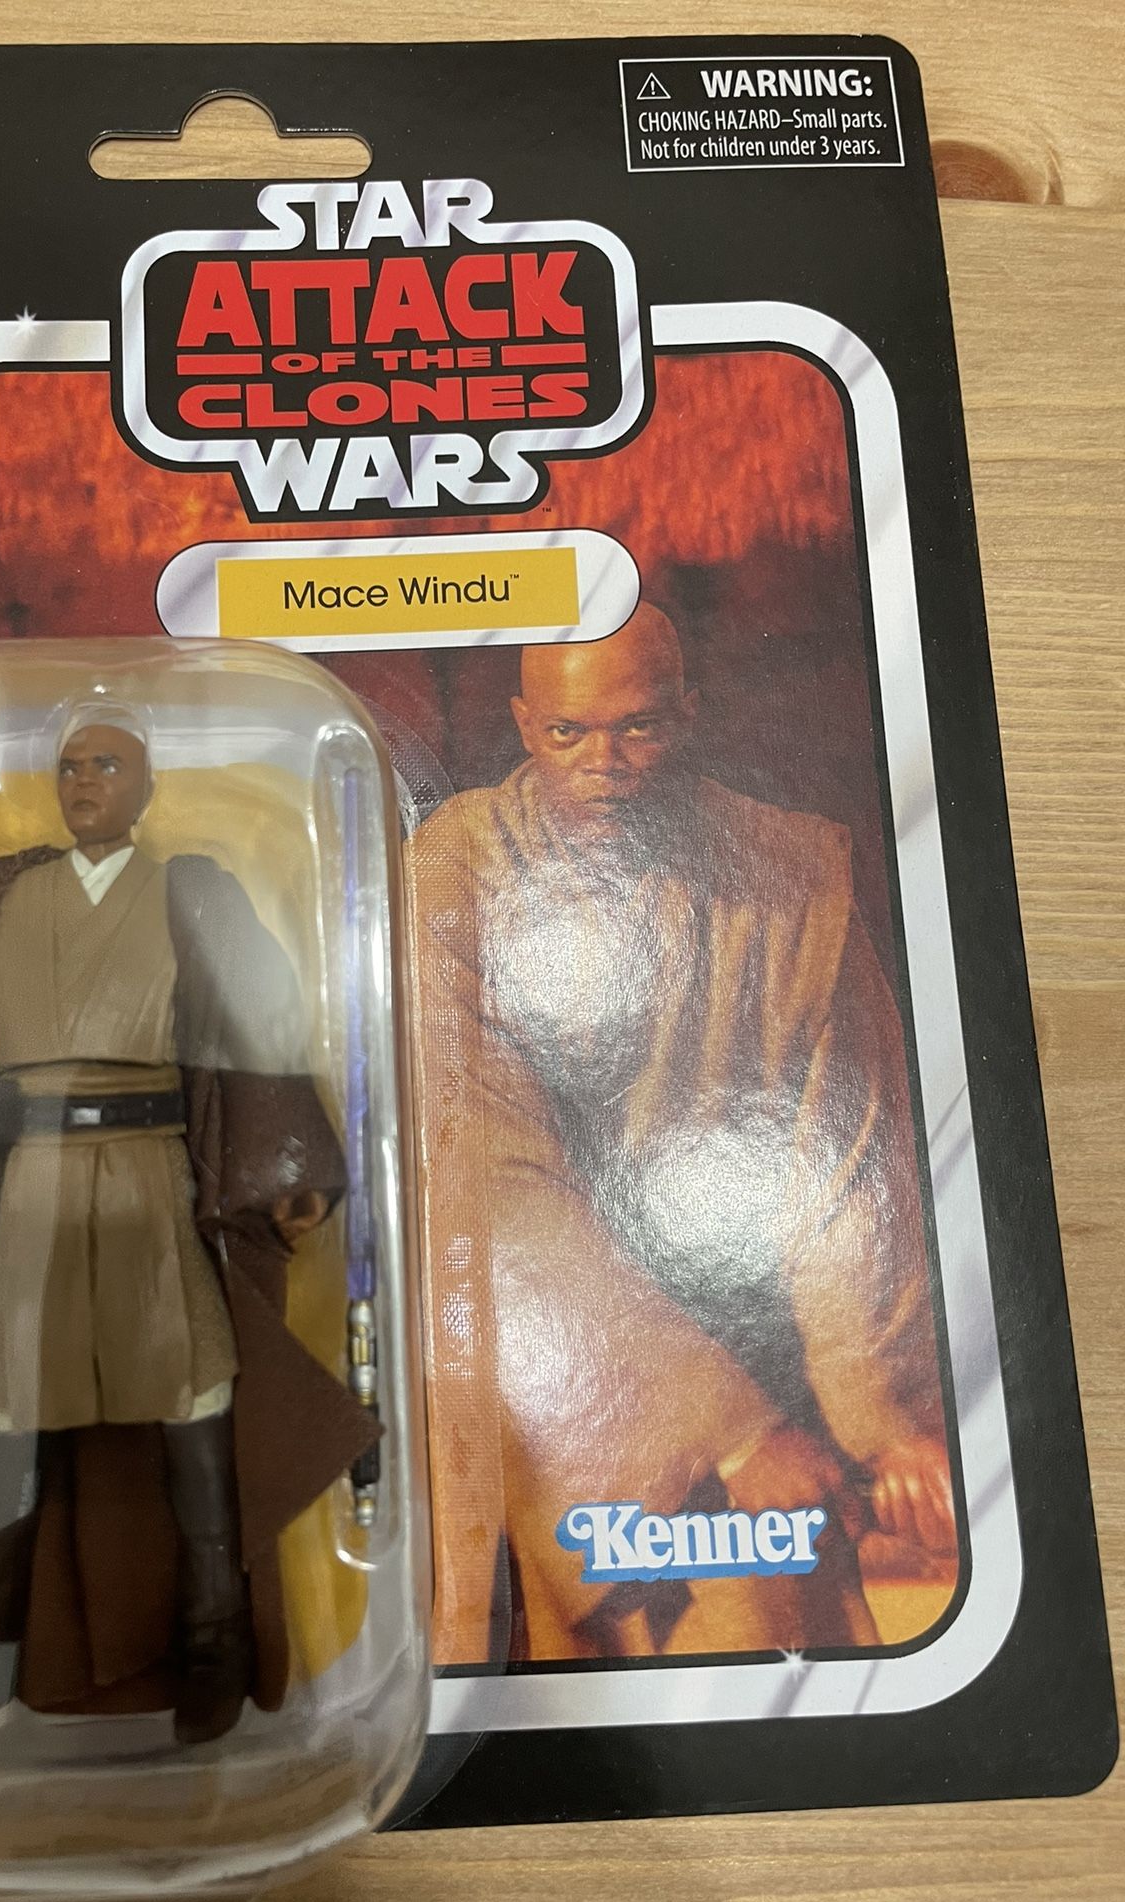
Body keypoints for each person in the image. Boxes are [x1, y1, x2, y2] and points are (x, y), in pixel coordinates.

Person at [409, 607, 955, 1664]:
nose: (602, 765)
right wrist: (733, 1432)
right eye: (567, 732)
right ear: (523, 725)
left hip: (744, 1334)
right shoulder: (453, 866)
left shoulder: (791, 877)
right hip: (542, 1352)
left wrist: (888, 1427)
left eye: (639, 727)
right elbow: (489, 1173)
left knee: (784, 1664)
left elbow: (844, 1171)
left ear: (689, 714)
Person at [0, 703, 376, 1761]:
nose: (86, 783)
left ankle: (214, 1638)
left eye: (109, 766)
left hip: (145, 1174)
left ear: (146, 788)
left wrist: (286, 1164)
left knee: (194, 1394)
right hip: (34, 1183)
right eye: (73, 766)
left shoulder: (189, 892)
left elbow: (260, 1020)